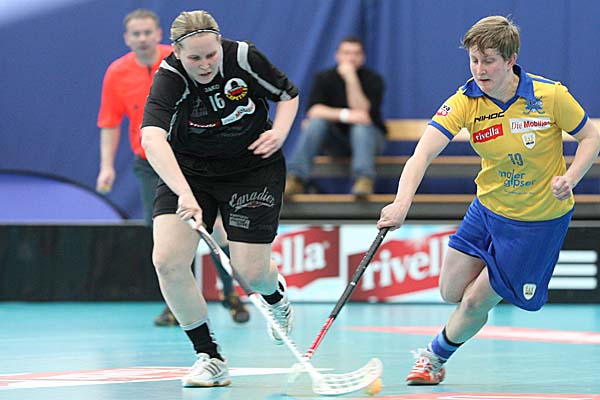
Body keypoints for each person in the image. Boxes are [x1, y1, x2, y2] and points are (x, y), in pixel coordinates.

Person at [377, 15, 600, 385]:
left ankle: (433, 358)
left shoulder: (550, 96)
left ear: (511, 60)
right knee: (450, 291)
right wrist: (402, 203)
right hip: (487, 210)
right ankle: (485, 294)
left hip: (537, 222)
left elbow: (591, 138)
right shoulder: (465, 101)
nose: (479, 69)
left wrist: (571, 177)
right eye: (474, 60)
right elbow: (422, 154)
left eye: (489, 61)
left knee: (475, 301)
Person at [141, 10, 299, 387]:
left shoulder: (243, 57)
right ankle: (210, 357)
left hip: (252, 167)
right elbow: (151, 139)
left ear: (220, 44)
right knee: (167, 261)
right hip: (190, 172)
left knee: (250, 272)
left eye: (211, 54)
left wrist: (279, 132)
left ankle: (275, 297)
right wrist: (184, 194)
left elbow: (288, 95)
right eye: (194, 57)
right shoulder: (169, 78)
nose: (205, 64)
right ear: (177, 52)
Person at [95, 9, 249, 326]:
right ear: (127, 38)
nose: (142, 38)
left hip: (194, 158)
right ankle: (177, 305)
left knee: (215, 228)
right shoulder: (116, 73)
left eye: (147, 32)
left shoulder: (181, 60)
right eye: (136, 34)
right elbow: (109, 122)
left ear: (158, 34)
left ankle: (230, 292)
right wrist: (106, 166)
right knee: (167, 235)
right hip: (150, 164)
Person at [284, 36, 386, 197]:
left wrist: (351, 79)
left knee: (361, 128)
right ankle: (295, 178)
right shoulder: (324, 78)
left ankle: (364, 180)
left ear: (363, 57)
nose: (351, 58)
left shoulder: (373, 79)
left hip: (369, 141)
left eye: (356, 53)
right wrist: (346, 115)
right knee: (315, 124)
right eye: (346, 53)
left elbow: (363, 113)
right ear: (337, 55)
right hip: (334, 142)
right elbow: (314, 110)